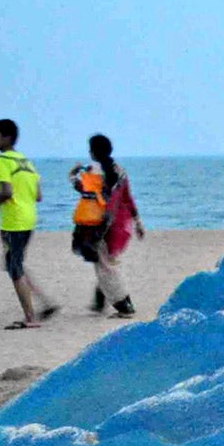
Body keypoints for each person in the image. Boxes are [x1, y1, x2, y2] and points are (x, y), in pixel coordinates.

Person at [0, 118, 59, 329]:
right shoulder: (26, 162)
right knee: (12, 263)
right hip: (28, 219)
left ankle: (30, 317)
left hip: (13, 222)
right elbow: (37, 195)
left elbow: (6, 192)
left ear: (6, 137)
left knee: (14, 267)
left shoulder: (3, 160)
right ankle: (45, 303)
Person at [71, 133, 140, 316]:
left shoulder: (92, 171)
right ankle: (108, 302)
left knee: (105, 267)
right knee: (107, 264)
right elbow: (127, 197)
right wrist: (137, 221)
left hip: (99, 223)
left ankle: (124, 305)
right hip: (120, 225)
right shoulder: (120, 171)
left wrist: (72, 174)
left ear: (93, 152)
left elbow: (80, 188)